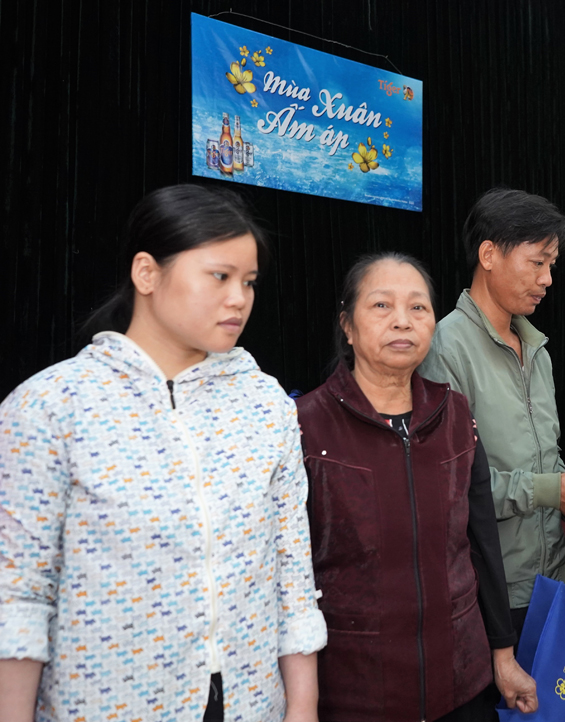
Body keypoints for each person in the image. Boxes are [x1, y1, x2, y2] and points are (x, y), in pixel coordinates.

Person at [0, 185, 327, 722]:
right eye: (219, 277)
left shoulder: (265, 403)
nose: (239, 298)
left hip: (251, 704)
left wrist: (303, 706)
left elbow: (290, 570)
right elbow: (20, 596)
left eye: (248, 282)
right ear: (147, 273)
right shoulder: (52, 406)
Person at [295, 252, 537, 721]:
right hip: (355, 692)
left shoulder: (454, 415)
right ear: (347, 325)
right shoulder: (305, 426)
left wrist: (502, 655)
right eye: (381, 306)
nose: (402, 321)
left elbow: (482, 543)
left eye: (418, 308)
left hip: (461, 681)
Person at [419, 188, 565, 638]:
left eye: (551, 265)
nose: (547, 279)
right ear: (488, 254)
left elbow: (543, 458)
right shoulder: (445, 348)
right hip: (491, 590)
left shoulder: (537, 349)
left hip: (553, 579)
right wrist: (556, 490)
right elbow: (451, 483)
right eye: (536, 262)